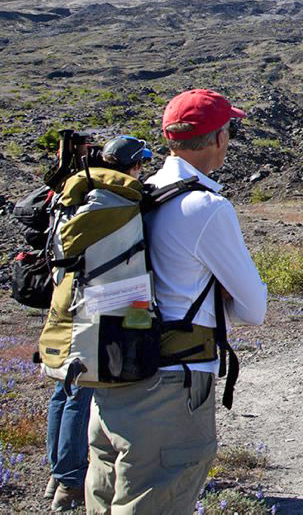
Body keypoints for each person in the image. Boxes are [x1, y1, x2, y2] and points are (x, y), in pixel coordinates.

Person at [85, 90, 267, 514]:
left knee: (107, 498)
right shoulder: (206, 207)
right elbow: (254, 308)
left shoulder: (135, 195)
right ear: (221, 138)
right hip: (172, 387)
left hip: (111, 377)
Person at [45, 136, 151, 511]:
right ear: (134, 165)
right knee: (80, 392)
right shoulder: (119, 201)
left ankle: (58, 475)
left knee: (63, 390)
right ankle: (71, 482)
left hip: (65, 298)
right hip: (97, 309)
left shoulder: (77, 192)